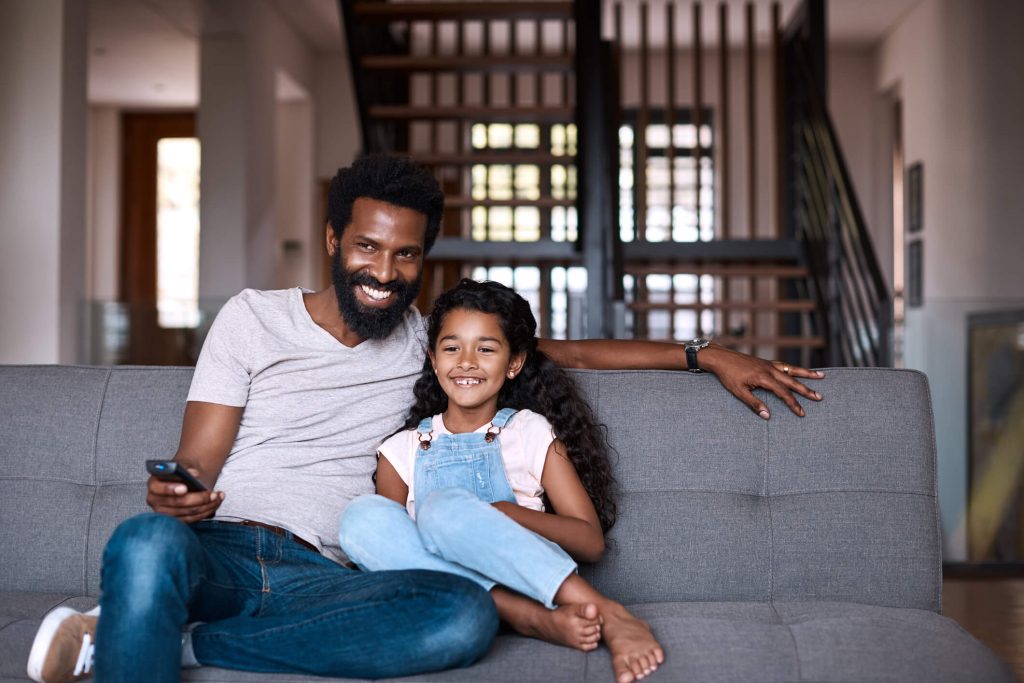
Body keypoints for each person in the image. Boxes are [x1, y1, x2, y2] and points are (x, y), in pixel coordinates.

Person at [26, 154, 823, 683]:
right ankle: (149, 606)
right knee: (141, 538)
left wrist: (705, 353)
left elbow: (563, 353)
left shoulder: (428, 346)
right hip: (225, 549)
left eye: (405, 255)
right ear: (336, 239)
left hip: (340, 577)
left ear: (422, 262)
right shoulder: (251, 318)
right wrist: (182, 495)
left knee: (460, 616)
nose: (384, 271)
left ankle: (178, 636)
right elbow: (196, 459)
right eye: (368, 248)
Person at [339, 278, 666, 683]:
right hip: (453, 601)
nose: (467, 361)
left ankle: (607, 612)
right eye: (452, 347)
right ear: (434, 359)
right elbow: (397, 556)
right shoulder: (402, 450)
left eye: (486, 349)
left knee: (443, 509)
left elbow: (590, 542)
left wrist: (506, 514)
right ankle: (527, 620)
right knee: (360, 518)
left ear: (514, 363)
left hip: (536, 583)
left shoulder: (528, 431)